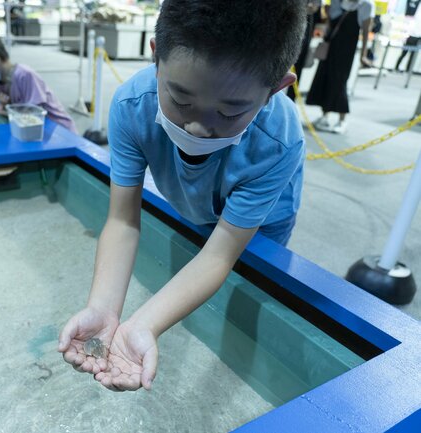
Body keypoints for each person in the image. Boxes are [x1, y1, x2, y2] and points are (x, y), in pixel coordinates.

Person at [58, 0, 307, 392]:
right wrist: (106, 310)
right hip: (194, 196)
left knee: (251, 277)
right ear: (156, 57)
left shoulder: (279, 143)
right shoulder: (131, 106)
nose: (199, 126)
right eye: (180, 100)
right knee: (198, 236)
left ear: (276, 89)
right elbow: (123, 220)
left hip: (263, 217)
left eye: (229, 113)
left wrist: (146, 322)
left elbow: (220, 253)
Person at [0, 27, 77, 133]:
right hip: (39, 133)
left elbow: (33, 117)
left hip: (60, 132)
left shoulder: (25, 75)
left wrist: (10, 113)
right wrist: (5, 105)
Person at [306, 0, 375, 134]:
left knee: (340, 82)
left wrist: (364, 54)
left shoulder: (366, 5)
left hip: (346, 51)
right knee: (325, 78)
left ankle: (342, 120)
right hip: (330, 47)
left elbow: (366, 31)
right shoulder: (336, 2)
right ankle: (324, 116)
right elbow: (329, 26)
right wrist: (326, 15)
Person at [288, 1, 323, 101]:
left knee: (297, 65)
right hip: (290, 26)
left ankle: (291, 97)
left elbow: (314, 9)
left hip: (304, 31)